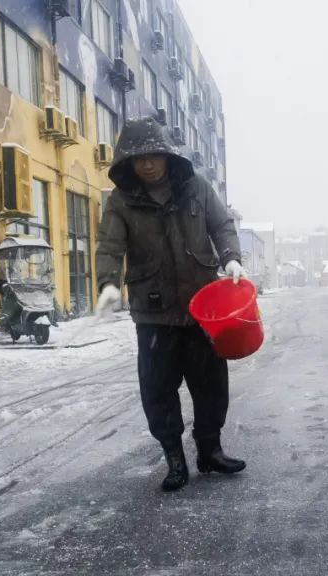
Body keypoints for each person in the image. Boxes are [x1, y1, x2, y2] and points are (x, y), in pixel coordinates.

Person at [95, 116, 247, 492]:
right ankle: (175, 460)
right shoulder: (121, 200)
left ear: (167, 155)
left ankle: (210, 451)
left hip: (202, 308)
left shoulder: (196, 187)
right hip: (153, 313)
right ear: (128, 162)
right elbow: (109, 246)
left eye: (154, 155)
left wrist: (230, 258)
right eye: (138, 158)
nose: (147, 164)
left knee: (211, 386)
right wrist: (108, 283)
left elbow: (222, 225)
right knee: (158, 391)